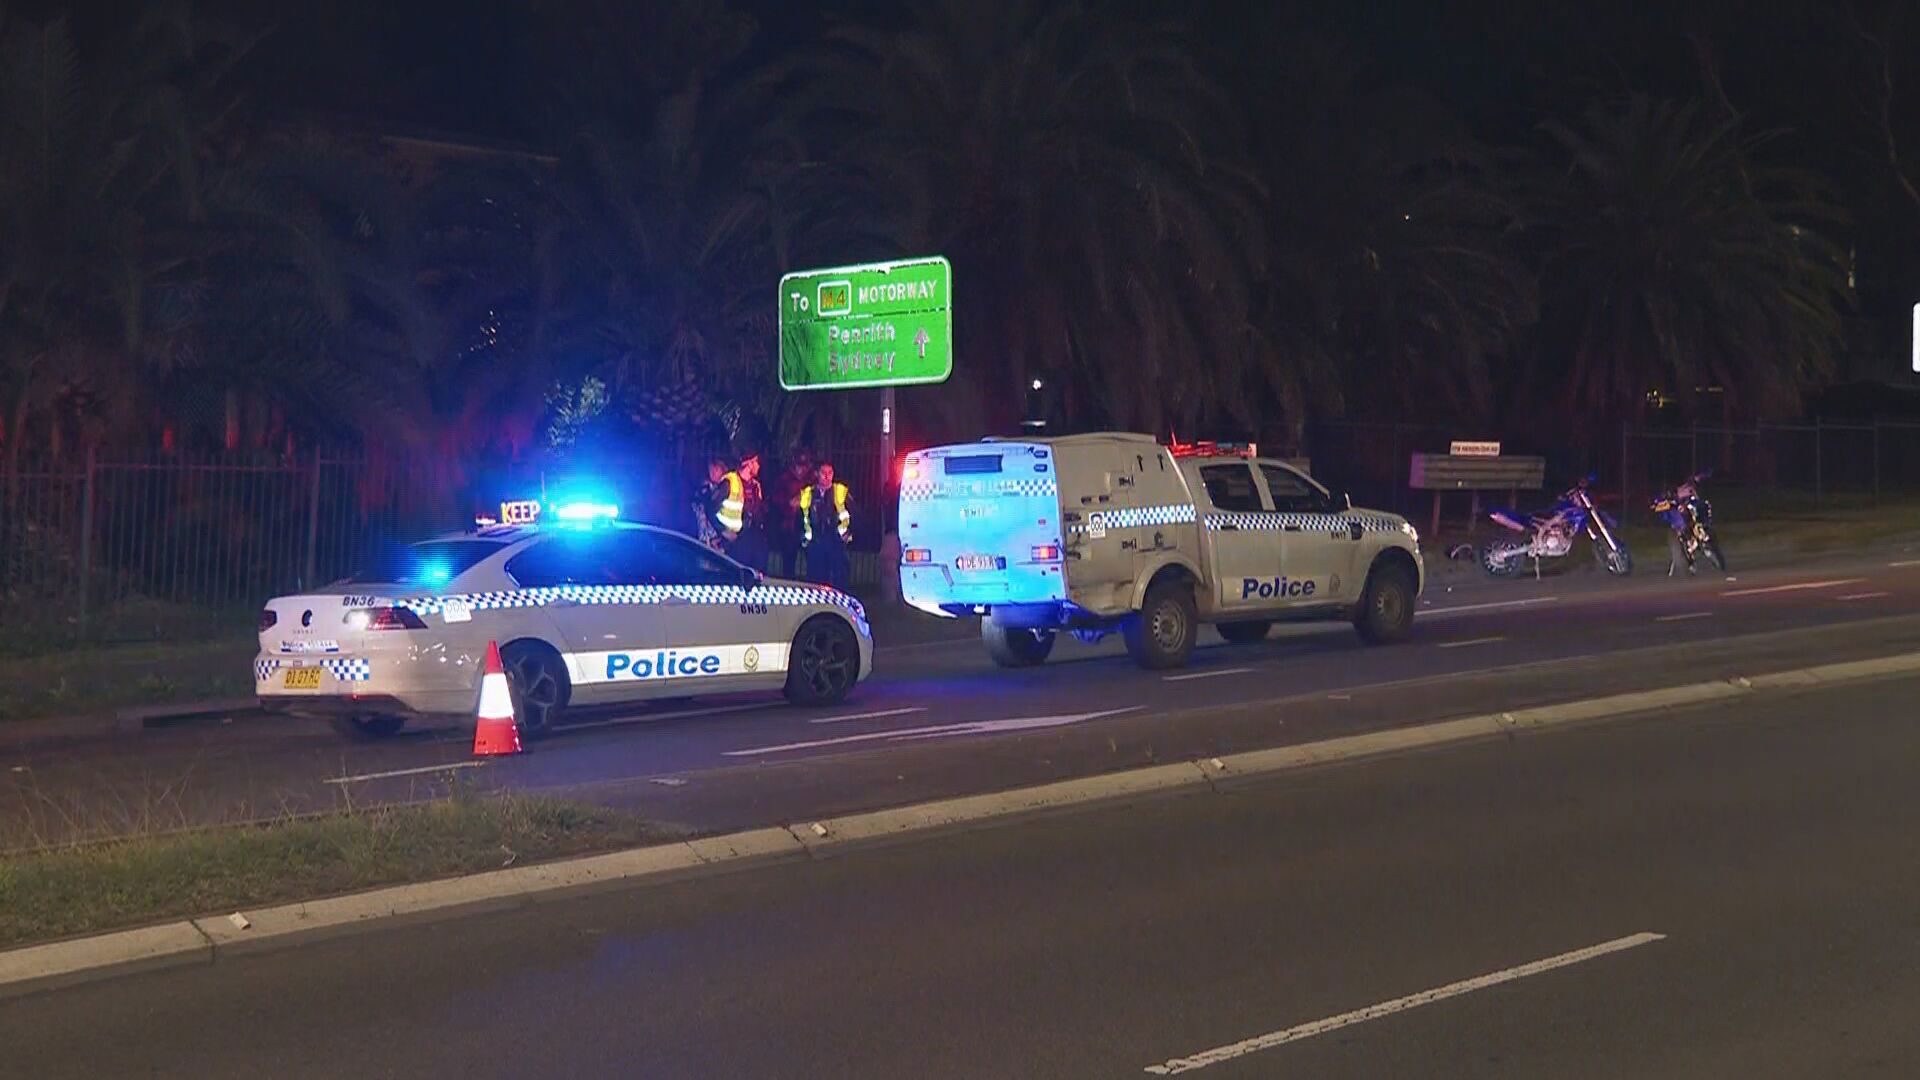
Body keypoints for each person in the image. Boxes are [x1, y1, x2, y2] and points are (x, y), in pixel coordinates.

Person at [796, 461, 852, 591]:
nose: (827, 476)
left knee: (838, 579)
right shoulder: (808, 493)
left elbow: (854, 514)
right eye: (823, 473)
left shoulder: (840, 491)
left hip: (836, 542)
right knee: (815, 581)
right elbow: (800, 516)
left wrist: (848, 534)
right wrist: (803, 537)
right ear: (817, 474)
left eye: (830, 473)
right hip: (816, 542)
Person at [717, 451, 769, 572]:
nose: (758, 466)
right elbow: (711, 507)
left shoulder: (756, 486)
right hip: (735, 540)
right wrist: (722, 530)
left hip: (754, 538)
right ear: (749, 464)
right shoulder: (730, 482)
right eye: (756, 462)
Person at [693, 457, 728, 551]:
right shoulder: (704, 489)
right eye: (711, 469)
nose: (713, 472)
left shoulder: (721, 488)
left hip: (717, 539)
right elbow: (703, 511)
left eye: (717, 470)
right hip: (705, 539)